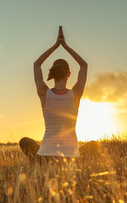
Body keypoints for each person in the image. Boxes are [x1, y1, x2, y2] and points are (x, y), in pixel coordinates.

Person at [19, 26, 88, 163]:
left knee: (24, 141)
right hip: (70, 158)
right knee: (93, 145)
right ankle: (75, 161)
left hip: (45, 156)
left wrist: (56, 45)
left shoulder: (44, 93)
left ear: (52, 73)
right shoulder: (75, 94)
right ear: (69, 74)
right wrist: (65, 46)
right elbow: (84, 65)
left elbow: (37, 64)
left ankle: (39, 162)